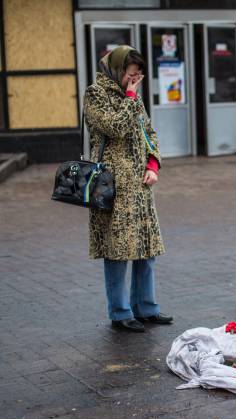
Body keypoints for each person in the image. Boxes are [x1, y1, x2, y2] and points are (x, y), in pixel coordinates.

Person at [84, 45, 173, 332]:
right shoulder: (95, 94)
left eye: (137, 76)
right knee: (118, 250)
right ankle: (121, 313)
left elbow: (149, 133)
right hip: (113, 186)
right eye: (130, 75)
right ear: (117, 70)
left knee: (147, 249)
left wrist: (153, 166)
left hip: (140, 185)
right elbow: (116, 128)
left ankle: (146, 308)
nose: (133, 81)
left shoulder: (132, 98)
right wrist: (132, 97)